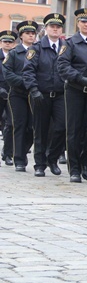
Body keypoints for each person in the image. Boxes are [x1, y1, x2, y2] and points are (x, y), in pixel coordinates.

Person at [58, 9, 87, 182]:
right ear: (78, 23)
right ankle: (75, 169)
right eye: (83, 21)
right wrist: (80, 78)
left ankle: (86, 162)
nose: (86, 24)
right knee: (74, 130)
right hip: (76, 90)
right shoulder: (70, 43)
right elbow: (62, 65)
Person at [22, 14, 66, 177]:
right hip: (41, 94)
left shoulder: (66, 46)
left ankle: (52, 158)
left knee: (62, 127)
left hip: (61, 94)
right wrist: (34, 90)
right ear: (46, 29)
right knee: (40, 130)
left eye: (58, 27)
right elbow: (28, 71)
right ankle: (40, 164)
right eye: (52, 26)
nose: (55, 29)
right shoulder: (37, 48)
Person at [2, 21, 37, 172]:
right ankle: (18, 159)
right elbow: (8, 74)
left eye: (33, 33)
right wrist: (26, 82)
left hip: (35, 94)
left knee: (32, 128)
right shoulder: (14, 53)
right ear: (21, 36)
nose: (31, 35)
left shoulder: (38, 51)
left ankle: (22, 151)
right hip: (18, 94)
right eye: (27, 33)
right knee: (19, 125)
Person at [0, 30, 17, 166]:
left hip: (12, 94)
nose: (8, 44)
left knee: (11, 124)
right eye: (5, 41)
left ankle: (7, 154)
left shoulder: (16, 56)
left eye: (10, 41)